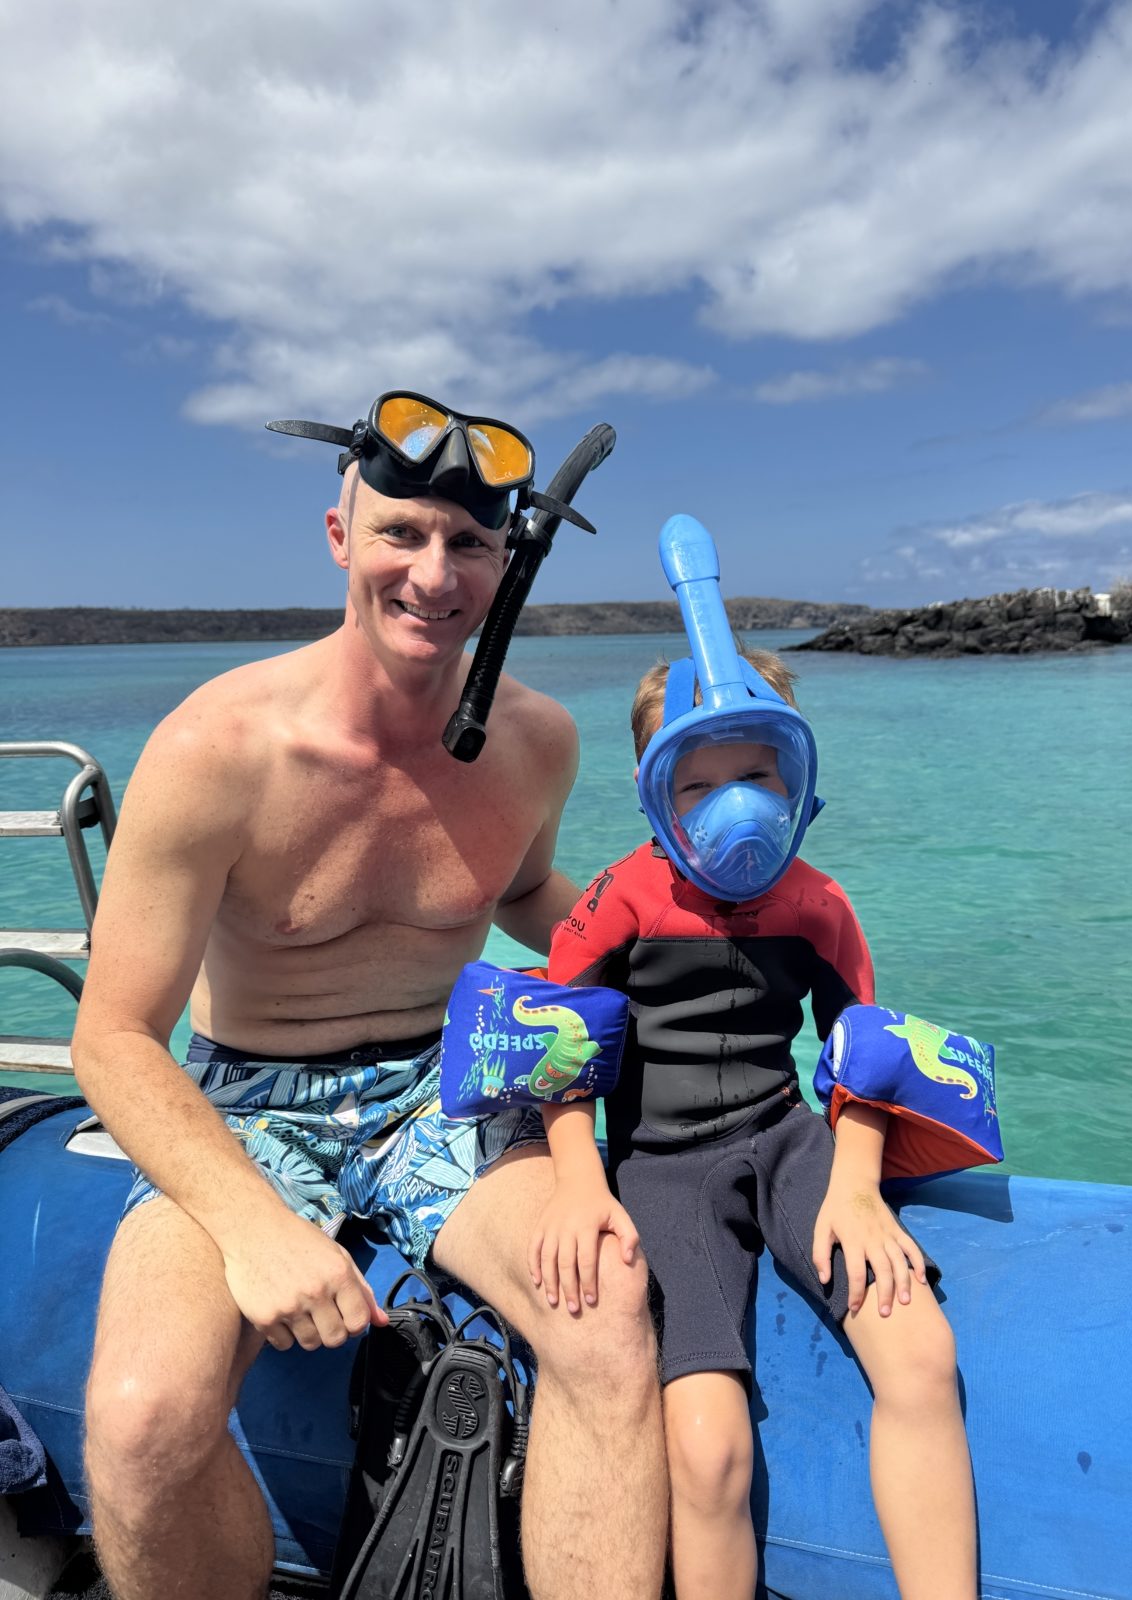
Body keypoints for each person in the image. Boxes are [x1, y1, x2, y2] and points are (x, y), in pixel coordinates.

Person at [71, 390, 667, 1600]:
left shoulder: (537, 740)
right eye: (401, 532)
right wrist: (250, 1225)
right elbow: (115, 1035)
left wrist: (678, 957)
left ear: (509, 563)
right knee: (140, 1421)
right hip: (248, 1105)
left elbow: (532, 890)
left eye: (471, 545)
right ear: (341, 535)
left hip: (448, 1081)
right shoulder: (215, 750)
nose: (434, 574)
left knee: (605, 1325)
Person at [536, 607, 978, 1598]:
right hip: (661, 1167)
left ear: (797, 780)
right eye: (697, 783)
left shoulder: (819, 903)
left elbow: (862, 1052)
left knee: (920, 1351)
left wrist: (856, 1187)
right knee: (707, 1447)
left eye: (756, 776)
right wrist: (575, 1181)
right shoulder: (617, 900)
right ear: (655, 795)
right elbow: (557, 1048)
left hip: (788, 1141)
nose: (732, 806)